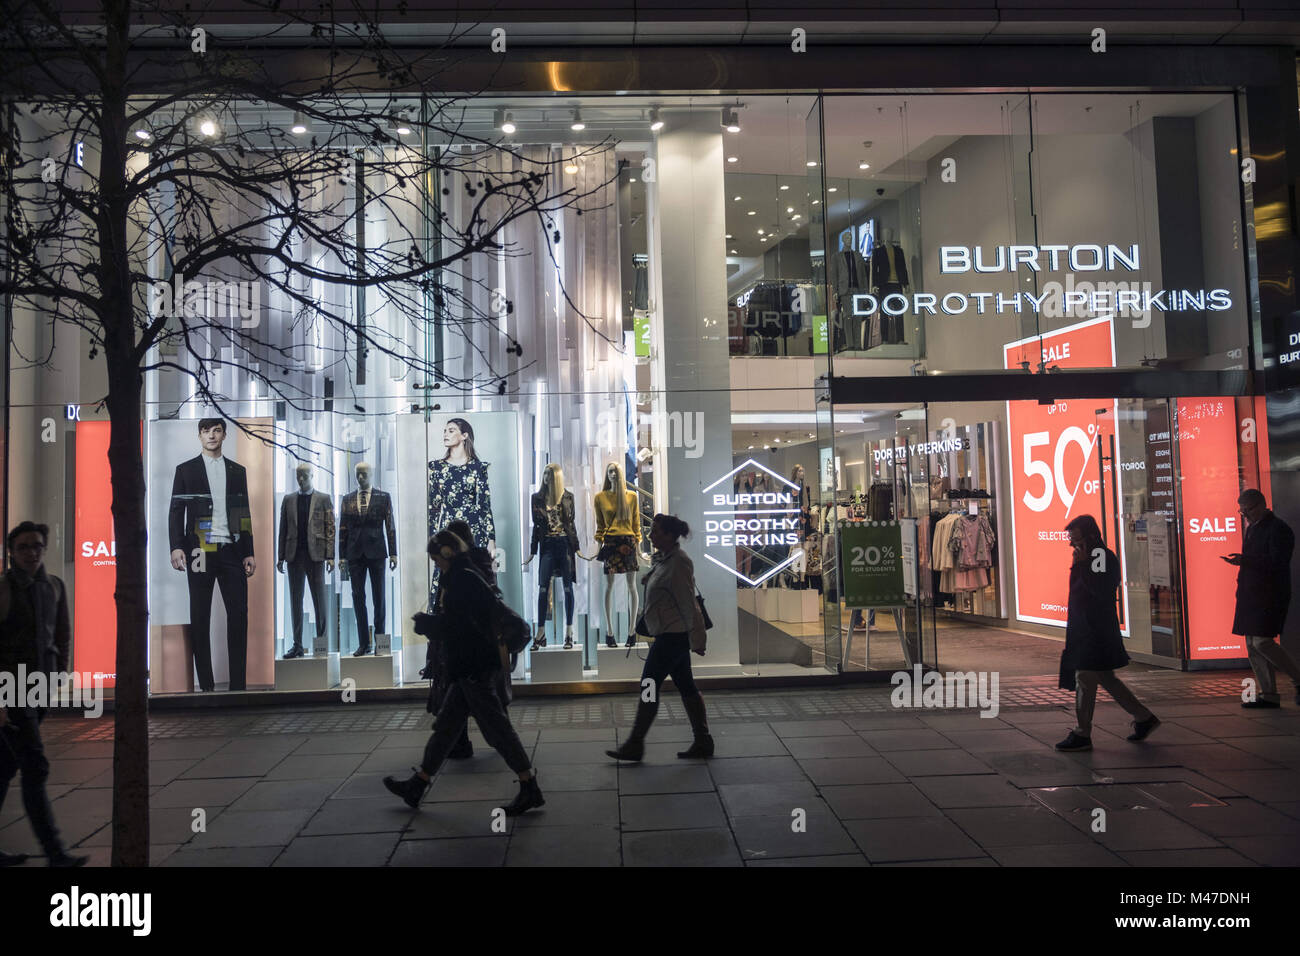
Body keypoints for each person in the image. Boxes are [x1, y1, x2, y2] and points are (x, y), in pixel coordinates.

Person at [384, 531, 542, 815]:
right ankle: (418, 783)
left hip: (474, 667)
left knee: (498, 729)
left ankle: (528, 785)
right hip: (467, 668)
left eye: (435, 559)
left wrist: (428, 625)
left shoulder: (462, 579)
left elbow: (459, 626)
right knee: (446, 728)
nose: (436, 565)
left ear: (446, 553)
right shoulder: (464, 575)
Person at [0, 521, 88, 867]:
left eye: (36, 546)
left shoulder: (53, 586)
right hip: (11, 691)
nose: (31, 553)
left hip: (39, 690)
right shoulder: (4, 590)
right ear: (11, 551)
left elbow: (62, 634)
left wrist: (58, 675)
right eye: (23, 547)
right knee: (35, 767)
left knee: (5, 767)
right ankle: (55, 852)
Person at [607, 514, 713, 762]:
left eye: (655, 531)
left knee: (648, 685)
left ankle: (635, 742)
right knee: (686, 686)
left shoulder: (679, 563)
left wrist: (698, 641)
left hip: (672, 638)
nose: (651, 535)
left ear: (668, 535)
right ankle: (703, 740)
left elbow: (689, 605)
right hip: (668, 635)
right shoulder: (665, 560)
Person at [1056, 515, 1159, 751]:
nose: (1071, 544)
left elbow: (1101, 590)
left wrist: (1082, 565)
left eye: (1075, 538)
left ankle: (1082, 733)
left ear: (1090, 535)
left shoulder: (1098, 555)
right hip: (1088, 627)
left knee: (1085, 677)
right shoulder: (1088, 555)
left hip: (1095, 630)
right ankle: (1144, 718)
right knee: (1105, 678)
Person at [168, 417, 255, 691]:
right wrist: (176, 546)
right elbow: (176, 511)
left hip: (230, 549)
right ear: (199, 436)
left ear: (224, 435)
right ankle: (206, 685)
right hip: (200, 549)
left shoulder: (237, 470)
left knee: (239, 615)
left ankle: (238, 686)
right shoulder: (186, 470)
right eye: (206, 431)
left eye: (217, 430)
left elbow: (243, 512)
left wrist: (248, 551)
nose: (211, 436)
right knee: (200, 615)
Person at [1225, 489, 1300, 708]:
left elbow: (1277, 562)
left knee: (1262, 642)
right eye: (1242, 511)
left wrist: (1245, 561)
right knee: (1252, 644)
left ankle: (1297, 679)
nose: (1245, 515)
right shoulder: (1254, 528)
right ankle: (1269, 694)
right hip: (1252, 593)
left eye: (1247, 510)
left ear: (1261, 505)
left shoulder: (1278, 529)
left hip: (1269, 594)